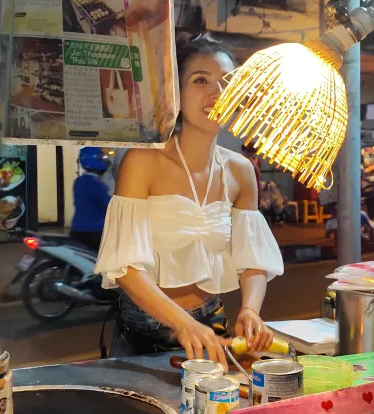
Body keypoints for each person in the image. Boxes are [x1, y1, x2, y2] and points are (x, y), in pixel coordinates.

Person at [95, 32, 284, 369]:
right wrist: (182, 323)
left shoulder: (240, 171)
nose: (217, 93)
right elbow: (126, 269)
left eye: (227, 83)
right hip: (147, 326)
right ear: (175, 93)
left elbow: (252, 257)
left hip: (210, 322)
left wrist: (250, 309)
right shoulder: (143, 162)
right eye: (201, 80)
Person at [70, 147, 112, 251]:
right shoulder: (95, 184)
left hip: (78, 229)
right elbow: (109, 204)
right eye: (102, 158)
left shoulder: (80, 181)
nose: (106, 161)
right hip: (95, 231)